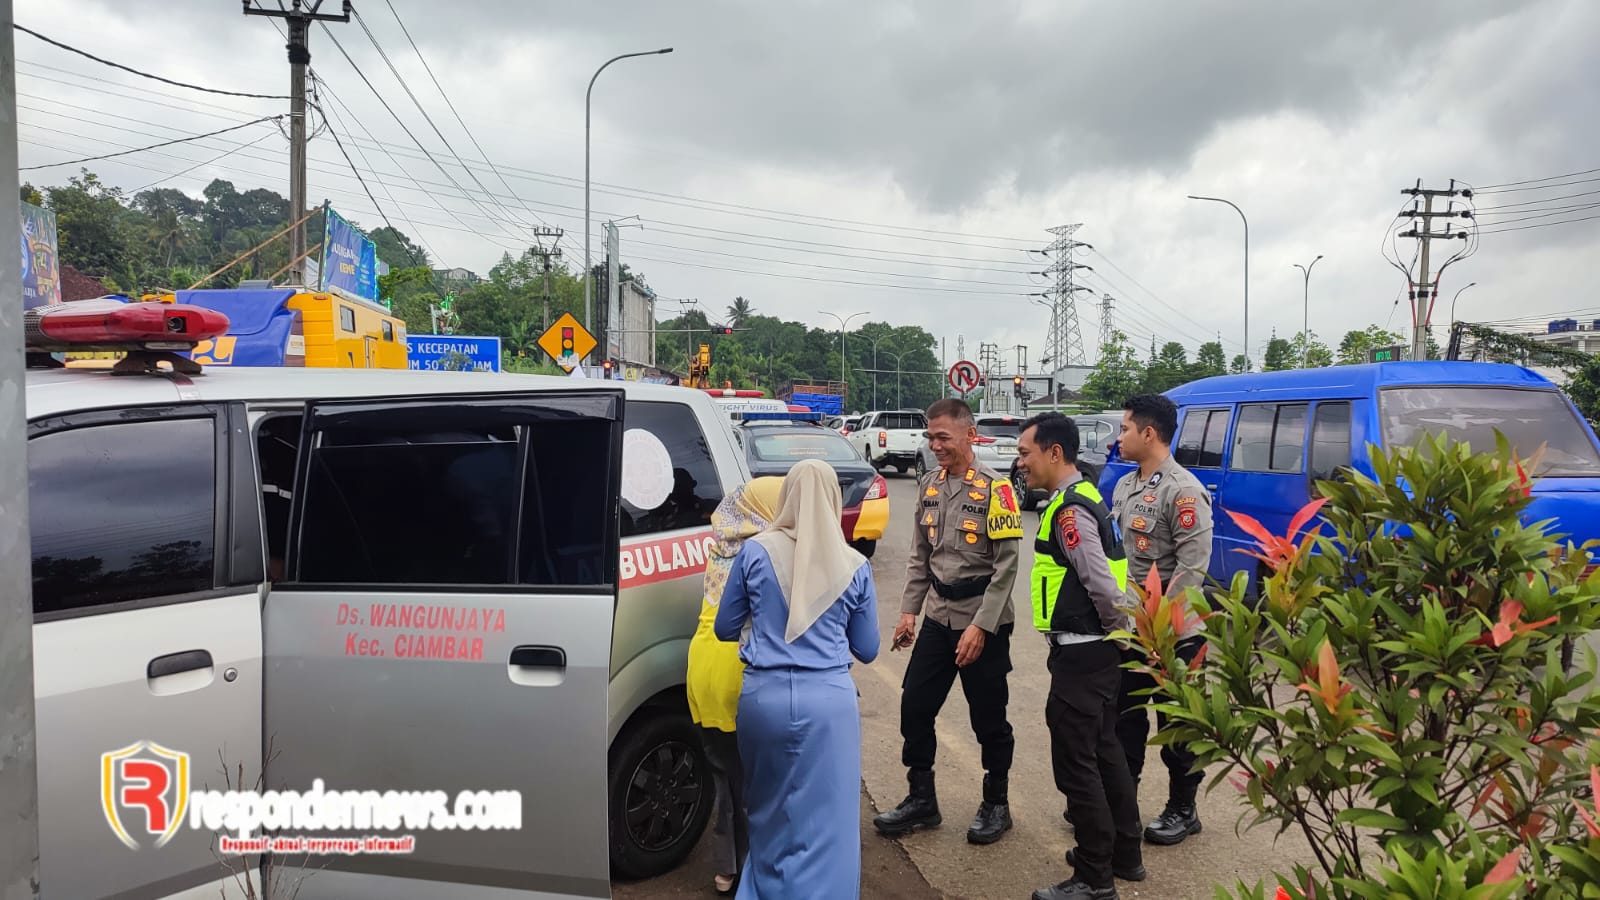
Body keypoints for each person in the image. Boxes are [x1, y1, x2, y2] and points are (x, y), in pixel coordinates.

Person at [714, 459, 880, 899]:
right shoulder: (854, 564)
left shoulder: (755, 552)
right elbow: (867, 648)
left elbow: (725, 627)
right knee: (829, 820)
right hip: (828, 703)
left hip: (763, 698)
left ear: (786, 497)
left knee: (767, 811)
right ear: (832, 499)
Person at [873, 398, 1023, 845]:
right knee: (915, 705)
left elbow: (1007, 567)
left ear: (969, 435)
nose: (935, 445)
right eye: (930, 437)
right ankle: (922, 799)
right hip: (939, 615)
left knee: (989, 718)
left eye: (943, 437)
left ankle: (997, 802)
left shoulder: (998, 490)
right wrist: (908, 612)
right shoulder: (929, 486)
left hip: (984, 619)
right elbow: (921, 556)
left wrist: (981, 626)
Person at [1016, 412, 1144, 900]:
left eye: (1026, 452)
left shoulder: (1070, 510)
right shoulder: (1087, 496)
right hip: (1098, 653)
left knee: (1077, 763)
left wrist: (1118, 635)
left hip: (1084, 653)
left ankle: (1094, 877)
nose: (1020, 462)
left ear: (1054, 452)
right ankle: (1122, 853)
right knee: (1106, 750)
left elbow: (1102, 585)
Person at [1109, 394, 1215, 846]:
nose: (1119, 437)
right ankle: (1122, 803)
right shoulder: (1125, 486)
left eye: (1125, 429)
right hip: (1133, 630)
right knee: (1125, 721)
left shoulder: (1184, 491)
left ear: (1148, 433)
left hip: (1175, 635)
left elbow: (1192, 571)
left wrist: (1160, 629)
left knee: (1176, 725)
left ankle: (1182, 808)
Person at [686, 477, 784, 895]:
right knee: (755, 784)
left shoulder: (722, 545)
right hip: (736, 673)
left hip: (701, 669)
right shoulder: (763, 553)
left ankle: (726, 869)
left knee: (724, 778)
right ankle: (756, 871)